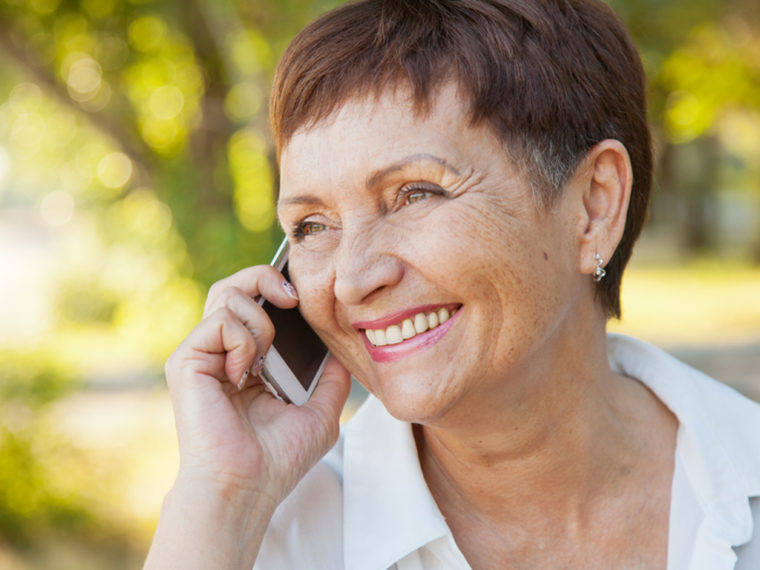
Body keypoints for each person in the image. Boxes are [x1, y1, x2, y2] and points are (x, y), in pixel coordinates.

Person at [144, 0, 760, 568]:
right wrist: (222, 496)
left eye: (414, 193)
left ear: (594, 205)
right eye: (311, 226)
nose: (354, 280)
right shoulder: (261, 540)